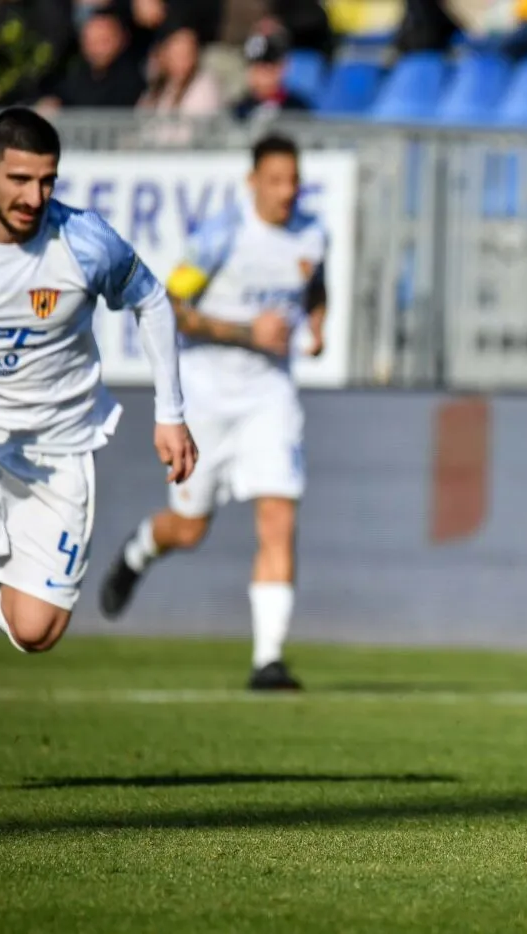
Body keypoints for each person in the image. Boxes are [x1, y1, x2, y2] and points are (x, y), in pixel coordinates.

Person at [0, 107, 196, 795]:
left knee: (36, 630)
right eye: (20, 179)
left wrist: (171, 415)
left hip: (57, 448)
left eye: (47, 181)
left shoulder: (82, 242)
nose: (34, 197)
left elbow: (153, 303)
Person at [99, 134, 327, 692]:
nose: (286, 191)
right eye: (275, 181)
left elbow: (315, 283)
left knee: (279, 515)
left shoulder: (313, 233)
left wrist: (317, 324)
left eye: (293, 180)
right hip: (206, 396)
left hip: (269, 396)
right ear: (253, 183)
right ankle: (139, 550)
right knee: (190, 527)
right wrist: (249, 332)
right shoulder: (222, 235)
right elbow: (171, 308)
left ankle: (267, 661)